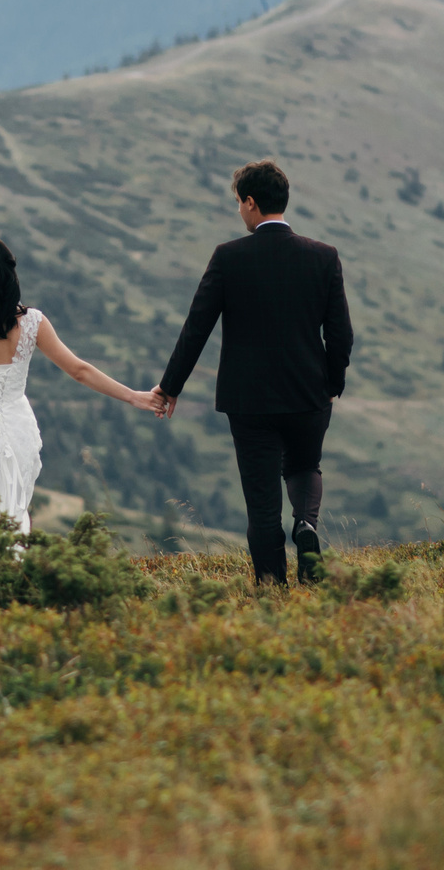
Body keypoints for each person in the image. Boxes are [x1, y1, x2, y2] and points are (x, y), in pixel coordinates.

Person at [149, 160, 354, 584]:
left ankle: (272, 591)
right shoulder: (323, 257)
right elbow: (341, 335)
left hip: (250, 401)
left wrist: (171, 387)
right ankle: (307, 527)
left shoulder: (229, 258)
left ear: (251, 202)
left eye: (239, 203)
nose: (238, 211)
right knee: (304, 467)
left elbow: (196, 329)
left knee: (261, 504)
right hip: (308, 395)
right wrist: (330, 385)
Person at [0, 235, 160, 532]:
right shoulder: (32, 322)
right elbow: (79, 370)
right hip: (18, 429)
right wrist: (134, 396)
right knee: (11, 512)